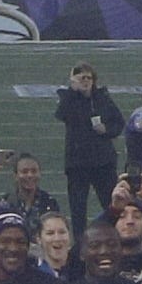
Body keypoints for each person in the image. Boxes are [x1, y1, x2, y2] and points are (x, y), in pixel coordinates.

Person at [56, 63, 125, 233]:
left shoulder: (102, 98)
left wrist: (107, 130)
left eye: (89, 77)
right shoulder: (69, 98)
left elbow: (119, 122)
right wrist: (73, 90)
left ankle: (115, 235)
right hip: (77, 163)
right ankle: (80, 246)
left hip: (103, 162)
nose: (86, 81)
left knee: (111, 203)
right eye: (82, 78)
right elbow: (61, 114)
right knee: (78, 210)